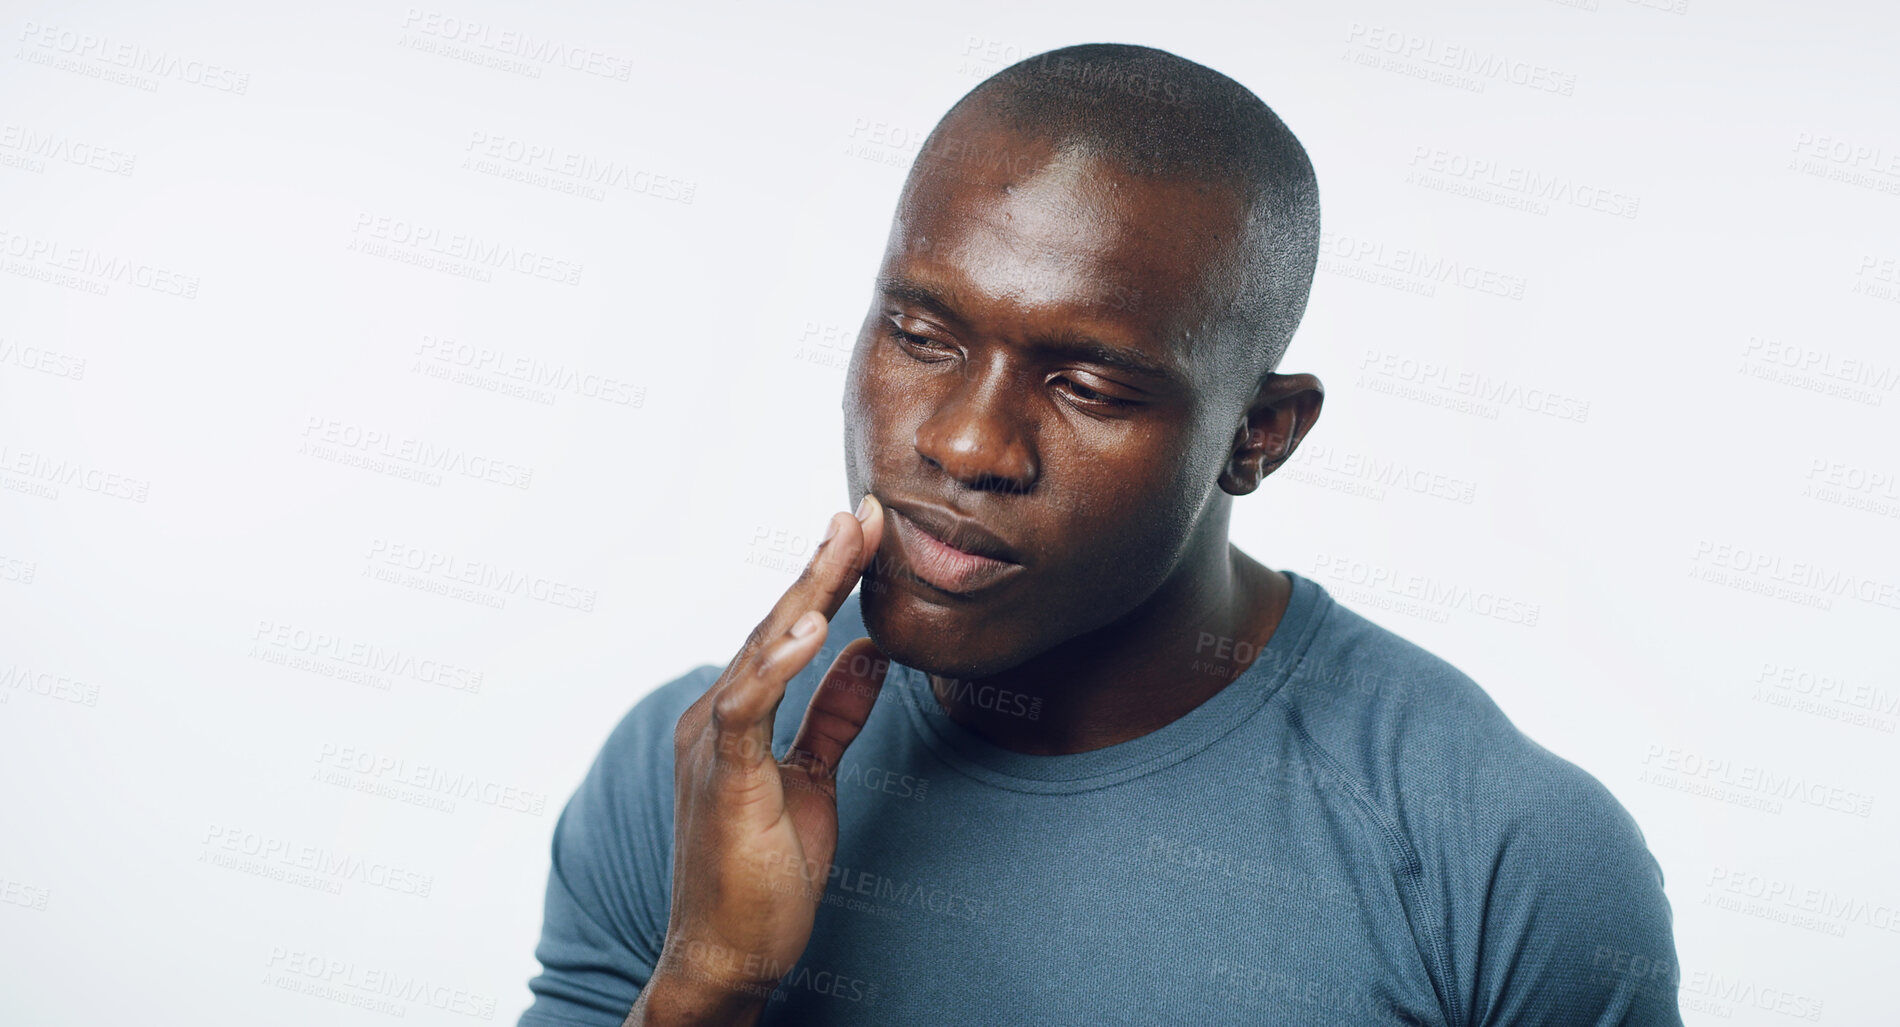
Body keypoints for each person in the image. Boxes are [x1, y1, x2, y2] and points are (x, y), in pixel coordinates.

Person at [517, 43, 1682, 1026]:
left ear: (1259, 435)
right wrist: (704, 984)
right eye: (923, 335)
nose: (968, 444)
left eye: (1087, 385)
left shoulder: (1498, 855)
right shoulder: (699, 778)